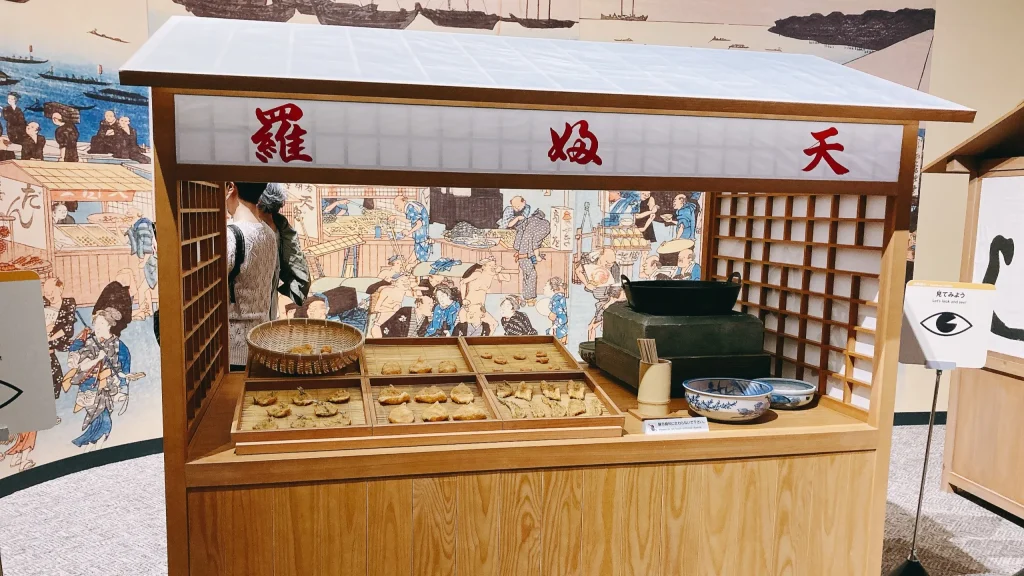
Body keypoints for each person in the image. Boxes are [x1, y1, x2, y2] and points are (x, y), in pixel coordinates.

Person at [225, 182, 279, 370]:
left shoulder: (230, 236)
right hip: (261, 340)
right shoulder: (268, 232)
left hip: (232, 348)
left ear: (231, 188)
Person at [67, 308, 131, 449]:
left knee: (103, 418)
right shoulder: (89, 342)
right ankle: (94, 446)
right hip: (90, 387)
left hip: (109, 388)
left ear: (109, 325)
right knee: (98, 417)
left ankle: (94, 447)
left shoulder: (119, 345)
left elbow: (124, 368)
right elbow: (81, 367)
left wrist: (123, 386)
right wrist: (98, 359)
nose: (97, 327)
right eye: (95, 323)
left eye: (101, 323)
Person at [43, 277, 77, 399]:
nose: (49, 295)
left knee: (56, 377)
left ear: (60, 288)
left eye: (51, 291)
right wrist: (44, 330)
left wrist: (50, 337)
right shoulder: (42, 303)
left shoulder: (68, 304)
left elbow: (68, 328)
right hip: (42, 346)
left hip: (57, 344)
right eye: (46, 292)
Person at [513, 209, 550, 305]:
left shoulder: (528, 221)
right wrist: (537, 256)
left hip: (523, 252)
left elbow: (519, 234)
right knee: (531, 275)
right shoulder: (543, 224)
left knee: (528, 274)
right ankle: (529, 299)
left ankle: (527, 297)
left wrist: (517, 250)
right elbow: (534, 242)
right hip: (526, 253)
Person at [392, 195, 430, 263]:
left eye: (397, 206)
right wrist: (395, 217)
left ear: (403, 201)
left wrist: (409, 232)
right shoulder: (410, 206)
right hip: (420, 237)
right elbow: (408, 220)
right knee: (412, 260)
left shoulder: (410, 207)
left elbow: (419, 224)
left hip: (421, 237)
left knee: (418, 259)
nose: (396, 208)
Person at [544, 277, 568, 343]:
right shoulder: (561, 296)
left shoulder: (556, 299)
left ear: (552, 288)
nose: (544, 288)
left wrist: (550, 315)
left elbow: (553, 316)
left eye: (546, 286)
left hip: (558, 326)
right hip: (562, 325)